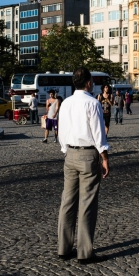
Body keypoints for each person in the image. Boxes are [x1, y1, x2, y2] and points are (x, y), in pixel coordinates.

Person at [57, 67, 110, 264]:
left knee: (67, 202)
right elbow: (98, 134)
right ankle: (84, 252)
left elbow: (61, 130)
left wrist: (66, 150)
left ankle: (64, 248)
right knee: (87, 204)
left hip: (70, 153)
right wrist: (104, 157)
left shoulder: (66, 103)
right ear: (88, 82)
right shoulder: (92, 103)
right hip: (88, 154)